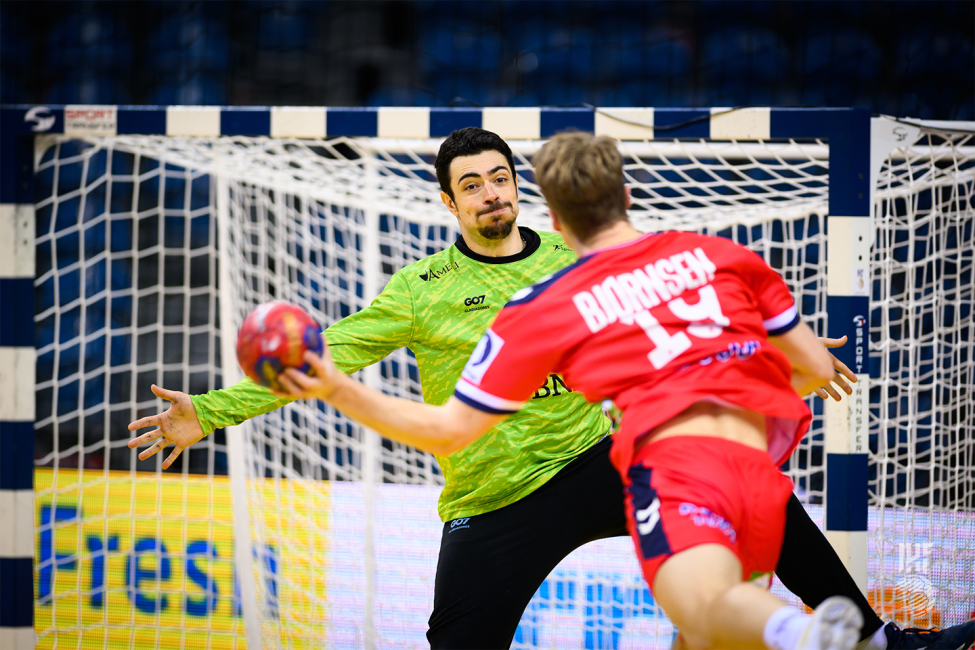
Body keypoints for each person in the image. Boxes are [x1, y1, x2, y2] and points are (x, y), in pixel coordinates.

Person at [128, 128, 975, 650]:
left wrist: (766, 348)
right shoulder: (418, 291)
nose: (491, 192)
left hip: (593, 457)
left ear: (522, 189)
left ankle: (873, 640)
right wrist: (207, 411)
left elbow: (663, 318)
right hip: (493, 498)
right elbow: (328, 354)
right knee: (457, 641)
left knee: (764, 501)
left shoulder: (574, 261)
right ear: (449, 201)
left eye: (501, 177)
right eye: (472, 184)